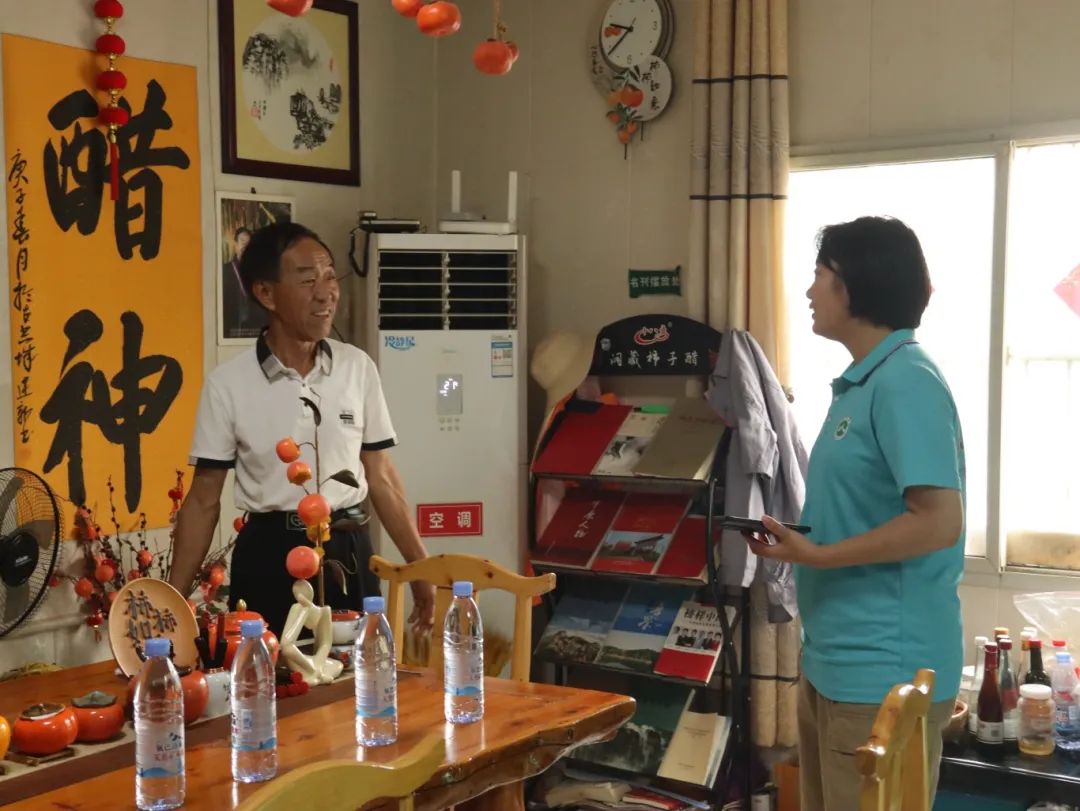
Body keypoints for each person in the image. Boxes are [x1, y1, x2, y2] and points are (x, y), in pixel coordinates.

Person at [748, 216, 965, 810]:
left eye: (820, 275)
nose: (809, 290)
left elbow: (938, 520)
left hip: (884, 673)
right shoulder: (863, 385)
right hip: (835, 662)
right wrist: (800, 543)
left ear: (855, 285)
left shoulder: (907, 381)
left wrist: (818, 555)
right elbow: (863, 512)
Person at [170, 221, 435, 639]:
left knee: (357, 672)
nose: (326, 293)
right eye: (308, 280)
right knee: (266, 673)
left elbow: (381, 476)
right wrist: (172, 601)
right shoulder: (228, 384)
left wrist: (421, 567)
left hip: (347, 549)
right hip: (268, 556)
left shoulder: (357, 368)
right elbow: (203, 500)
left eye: (330, 276)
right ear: (266, 293)